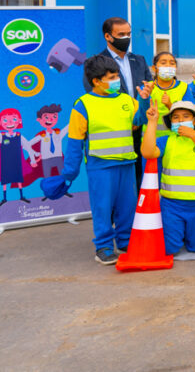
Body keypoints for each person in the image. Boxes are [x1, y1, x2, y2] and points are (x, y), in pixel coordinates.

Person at [63, 55, 152, 265]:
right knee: (102, 207)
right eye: (111, 77)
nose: (116, 81)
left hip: (126, 163)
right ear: (96, 81)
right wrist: (70, 171)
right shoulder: (83, 105)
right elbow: (75, 141)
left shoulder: (126, 100)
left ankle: (126, 241)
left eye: (116, 76)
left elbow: (137, 122)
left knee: (127, 207)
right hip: (100, 166)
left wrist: (144, 99)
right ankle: (102, 247)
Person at [141, 100, 195, 255]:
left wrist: (194, 135)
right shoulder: (166, 140)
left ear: (194, 120)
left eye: (186, 116)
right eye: (176, 117)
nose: (180, 120)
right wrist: (152, 122)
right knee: (169, 249)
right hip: (171, 206)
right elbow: (148, 152)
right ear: (171, 121)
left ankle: (188, 233)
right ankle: (180, 232)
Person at [90, 17, 153, 187]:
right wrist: (126, 118)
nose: (126, 38)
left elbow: (148, 86)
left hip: (139, 128)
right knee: (117, 181)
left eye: (128, 34)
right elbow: (95, 97)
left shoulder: (139, 60)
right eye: (121, 34)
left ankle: (136, 211)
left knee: (139, 174)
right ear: (108, 36)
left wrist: (139, 115)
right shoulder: (96, 62)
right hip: (115, 131)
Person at [147, 52, 193, 132]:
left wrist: (170, 105)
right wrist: (145, 96)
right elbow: (139, 118)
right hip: (150, 137)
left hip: (175, 137)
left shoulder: (184, 87)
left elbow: (190, 114)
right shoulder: (147, 87)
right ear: (154, 68)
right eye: (163, 63)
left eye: (172, 63)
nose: (168, 66)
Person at [29, 104, 67, 179]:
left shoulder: (58, 134)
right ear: (39, 120)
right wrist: (35, 154)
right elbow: (27, 145)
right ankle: (49, 190)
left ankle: (63, 190)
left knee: (62, 176)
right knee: (47, 177)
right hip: (46, 159)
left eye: (54, 117)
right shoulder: (41, 135)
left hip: (58, 157)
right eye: (46, 117)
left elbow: (68, 128)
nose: (50, 119)